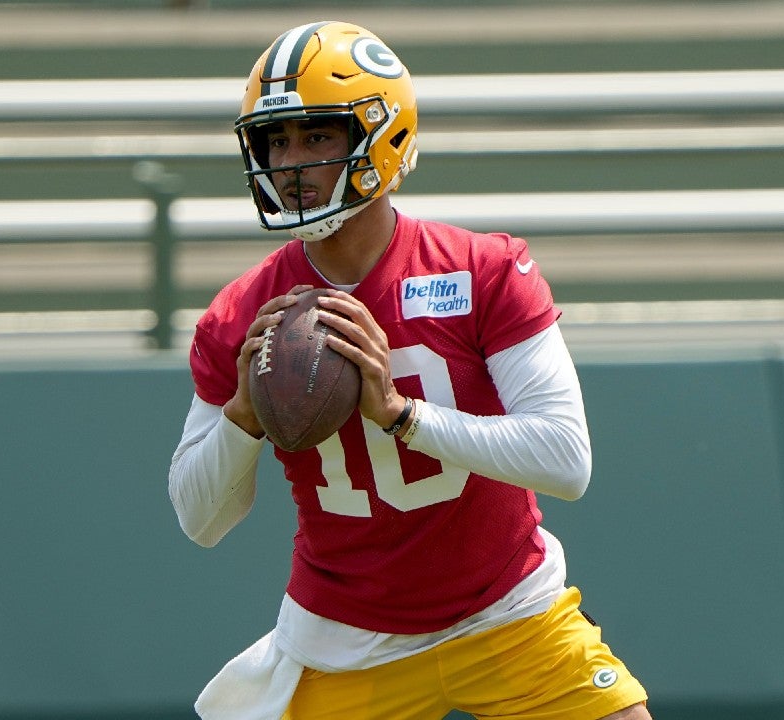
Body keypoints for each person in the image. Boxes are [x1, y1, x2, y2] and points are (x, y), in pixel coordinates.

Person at [167, 20, 651, 720]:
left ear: (380, 136)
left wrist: (400, 414)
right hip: (346, 641)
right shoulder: (243, 313)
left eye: (315, 137)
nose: (290, 164)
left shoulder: (482, 269)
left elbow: (567, 460)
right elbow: (201, 520)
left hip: (506, 614)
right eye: (277, 141)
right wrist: (243, 417)